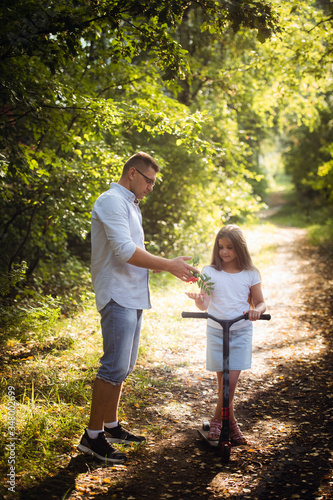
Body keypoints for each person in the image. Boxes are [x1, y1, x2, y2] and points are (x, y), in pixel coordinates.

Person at [77, 151, 199, 463]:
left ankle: (111, 425)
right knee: (113, 366)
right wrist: (168, 265)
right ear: (132, 173)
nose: (151, 188)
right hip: (116, 294)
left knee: (125, 366)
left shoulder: (131, 205)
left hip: (132, 294)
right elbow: (123, 251)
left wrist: (171, 267)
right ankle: (91, 438)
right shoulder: (111, 201)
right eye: (149, 181)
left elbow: (138, 253)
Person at [186, 224, 266, 444]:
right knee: (224, 384)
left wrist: (255, 311)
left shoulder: (251, 273)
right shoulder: (209, 271)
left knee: (229, 383)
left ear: (240, 248)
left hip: (240, 331)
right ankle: (231, 423)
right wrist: (198, 300)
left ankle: (217, 422)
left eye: (229, 247)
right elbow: (205, 304)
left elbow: (260, 302)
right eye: (220, 247)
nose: (224, 252)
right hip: (216, 330)